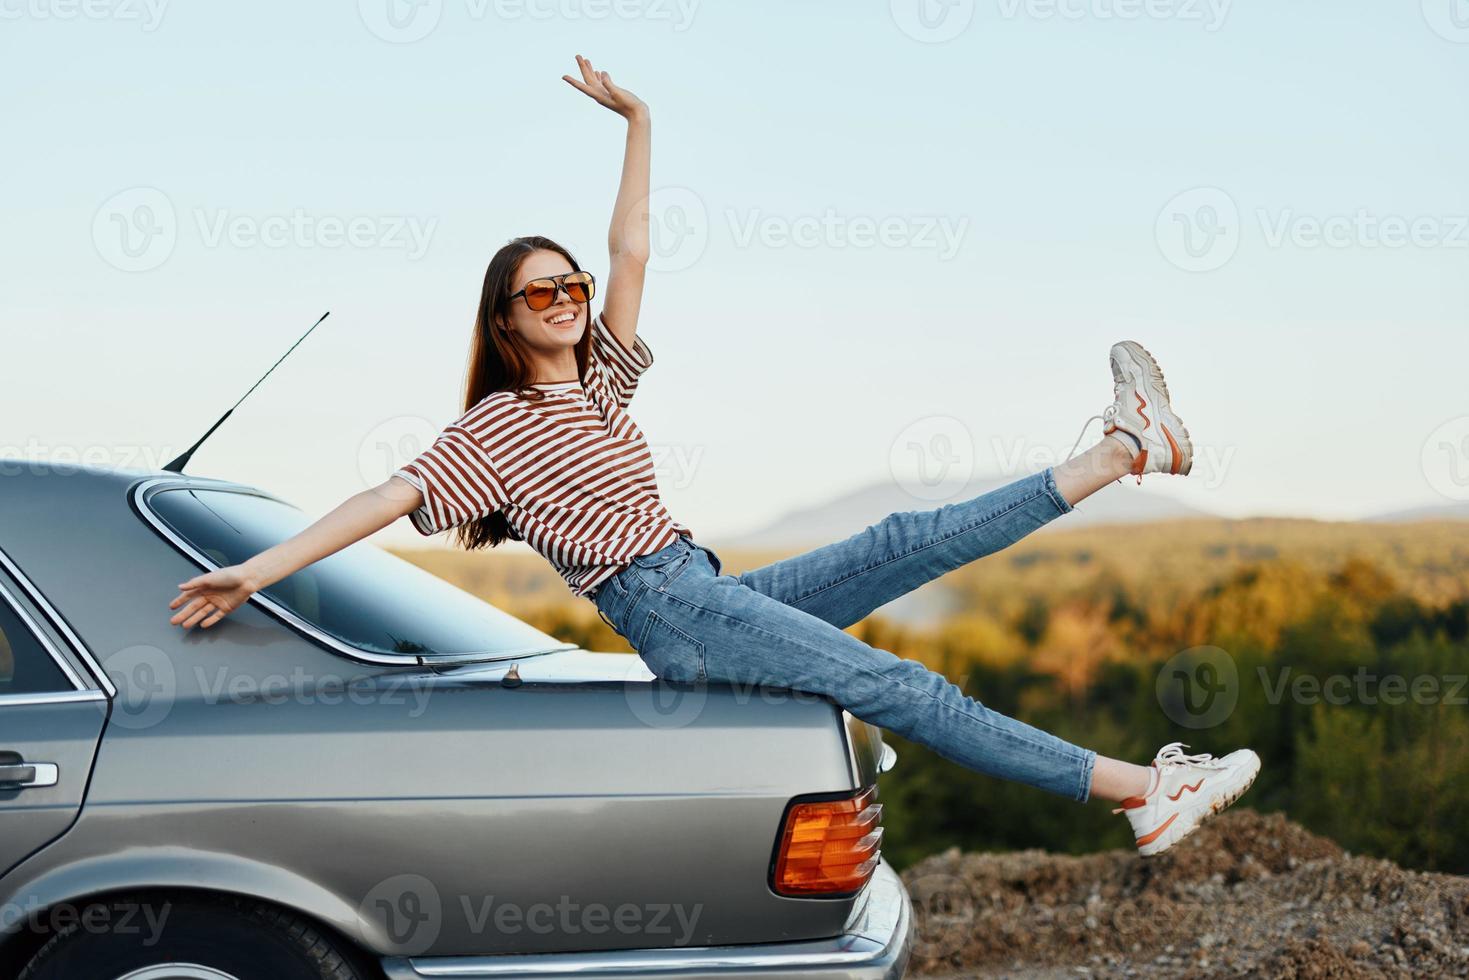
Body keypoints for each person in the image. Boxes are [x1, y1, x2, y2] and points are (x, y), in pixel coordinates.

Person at [167, 54, 1258, 857]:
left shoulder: (598, 377)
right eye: (540, 292)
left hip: (700, 583)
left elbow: (630, 245)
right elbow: (379, 494)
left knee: (902, 536)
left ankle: (1124, 449)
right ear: (504, 318)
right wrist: (256, 569)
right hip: (667, 612)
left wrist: (638, 117)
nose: (566, 299)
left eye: (570, 287)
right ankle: (1135, 793)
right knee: (899, 684)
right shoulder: (489, 432)